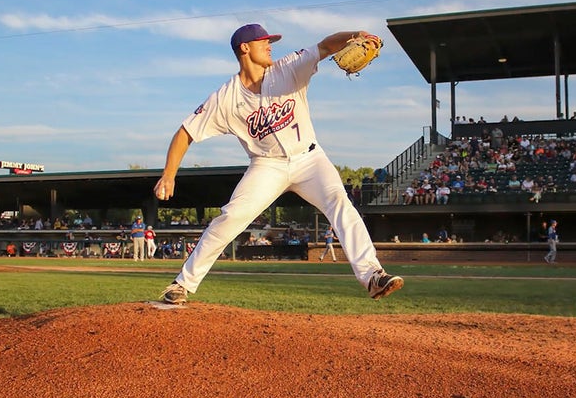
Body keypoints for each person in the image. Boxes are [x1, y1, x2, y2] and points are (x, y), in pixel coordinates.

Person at [153, 24, 403, 303]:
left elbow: (325, 46)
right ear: (244, 48)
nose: (270, 45)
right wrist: (169, 175)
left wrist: (355, 36)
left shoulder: (288, 67)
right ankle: (182, 284)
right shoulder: (225, 98)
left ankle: (372, 276)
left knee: (339, 202)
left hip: (309, 158)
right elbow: (185, 132)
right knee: (231, 216)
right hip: (266, 165)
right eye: (264, 41)